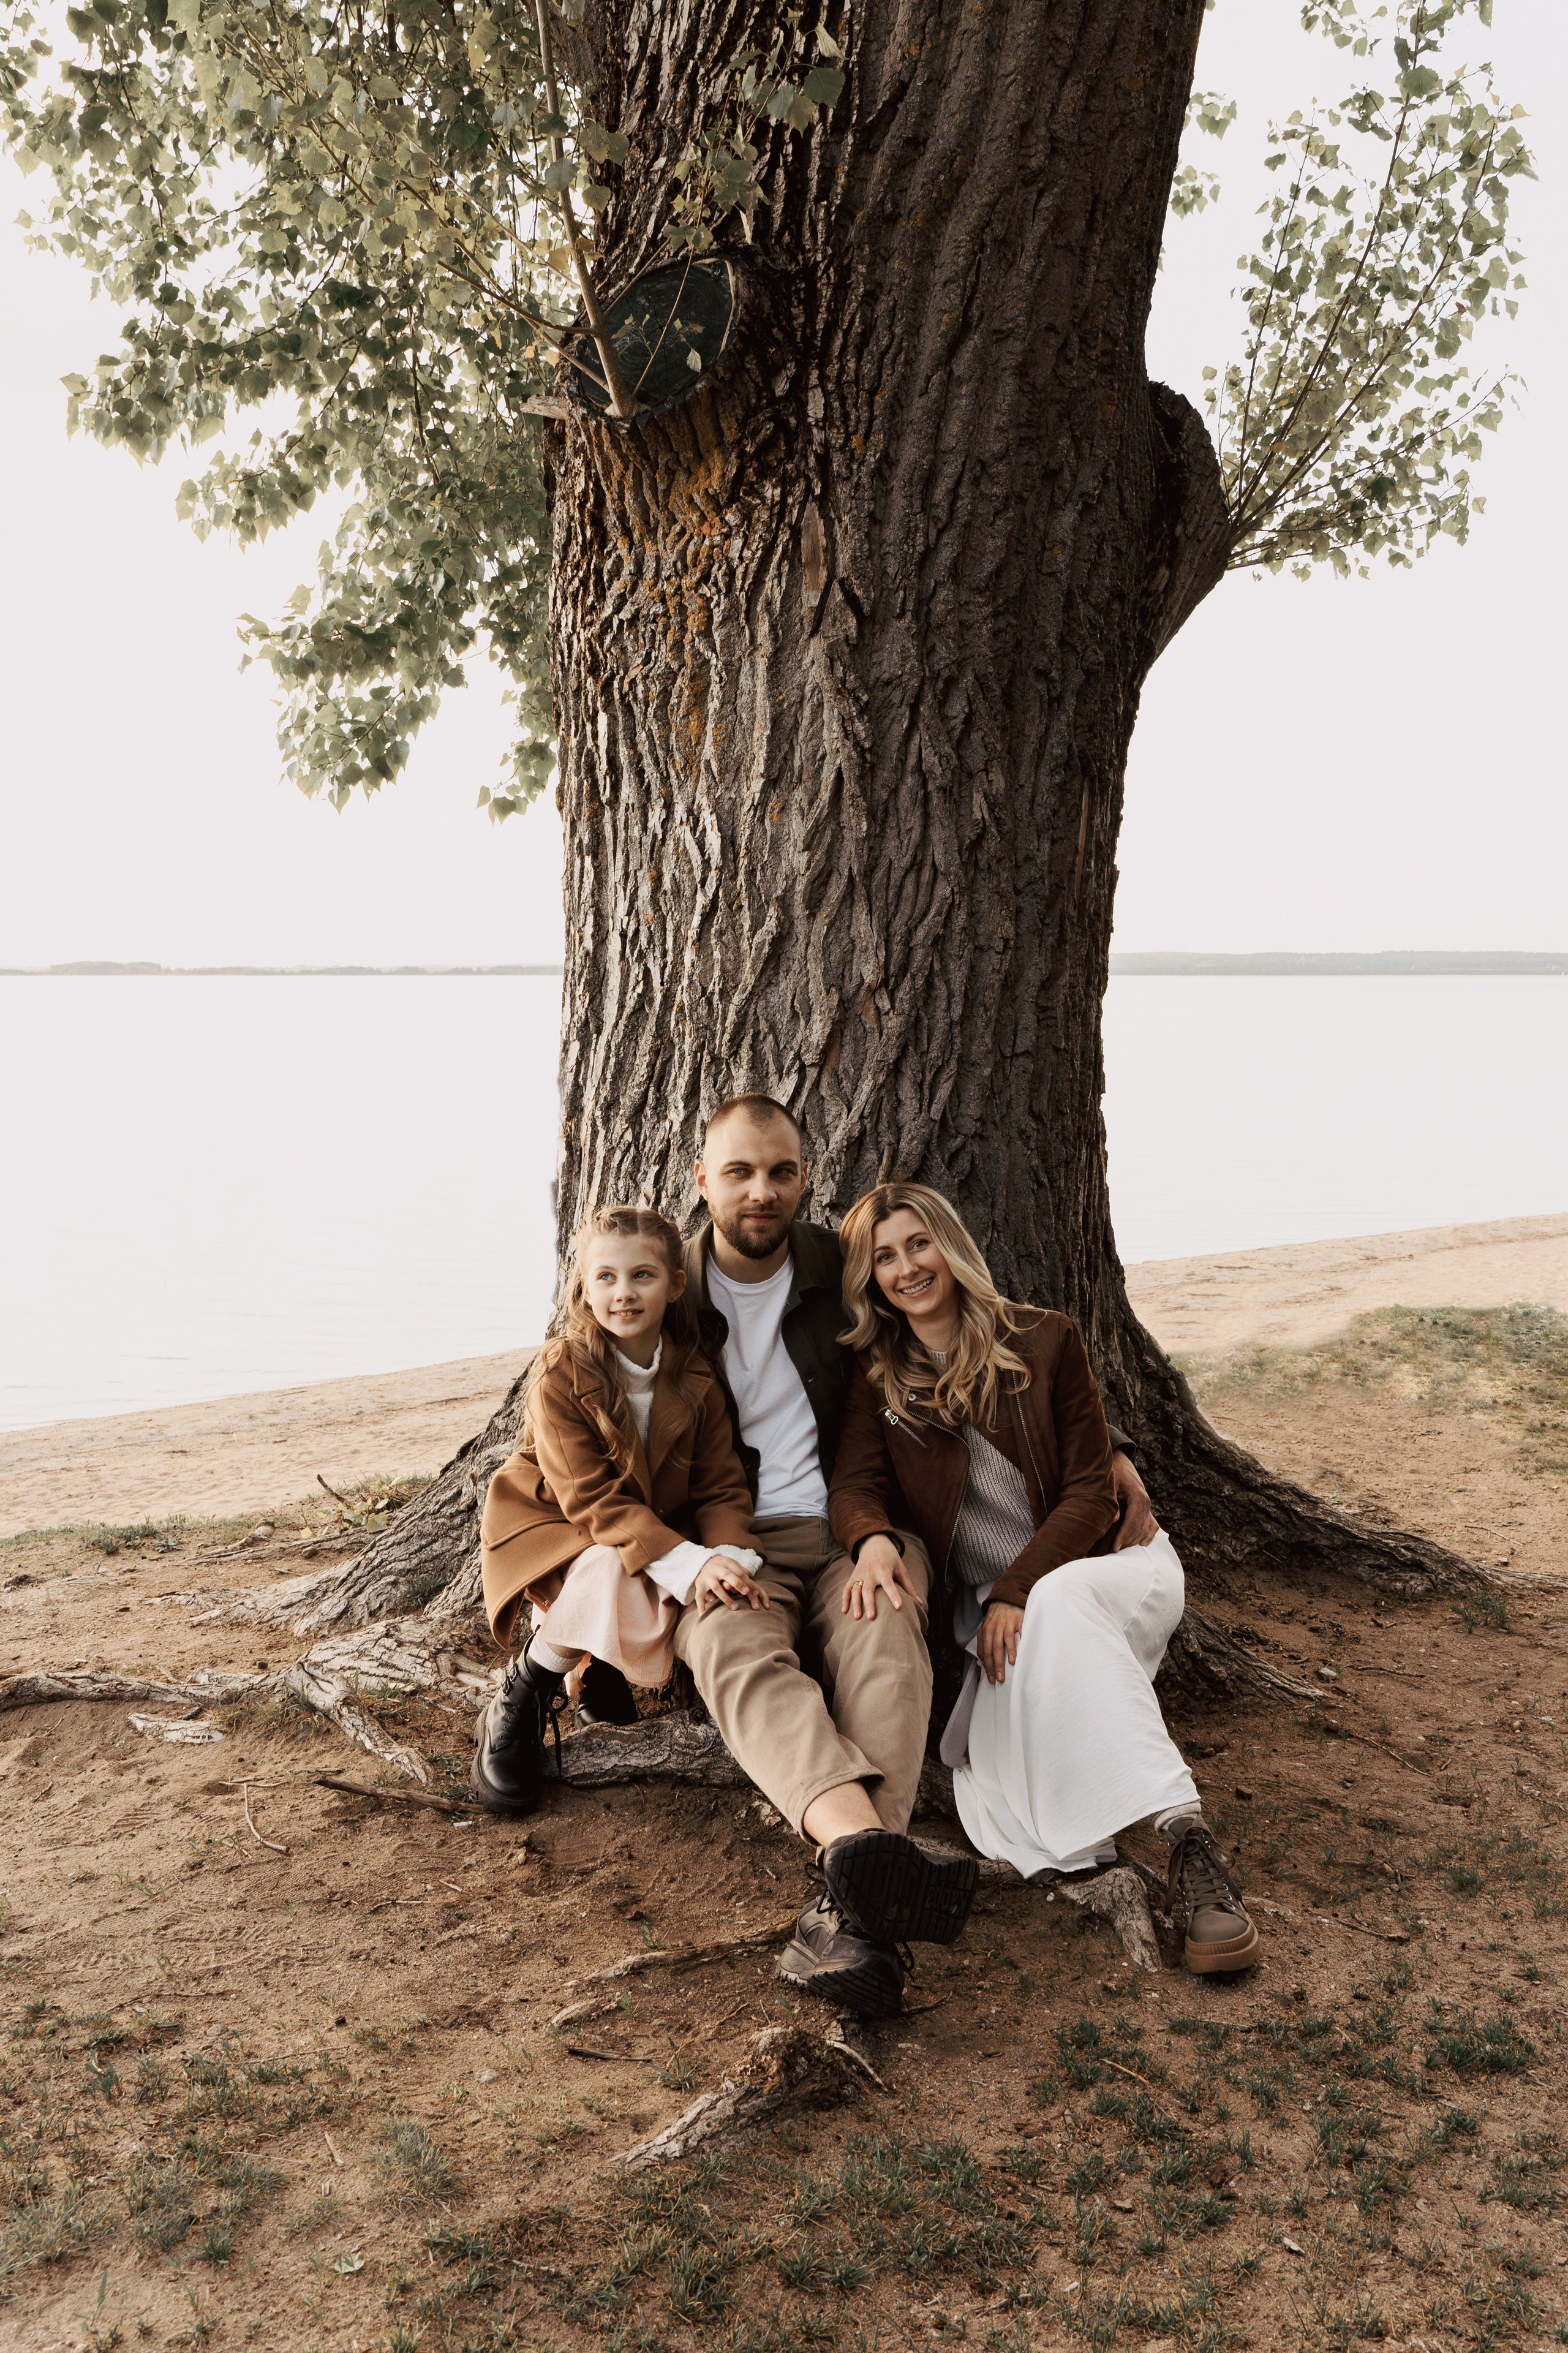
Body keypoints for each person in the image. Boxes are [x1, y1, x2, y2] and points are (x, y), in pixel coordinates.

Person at [673, 1095, 1165, 2018]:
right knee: (731, 1646)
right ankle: (861, 1874)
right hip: (728, 1538)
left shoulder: (840, 1262)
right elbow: (583, 1393)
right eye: (738, 1171)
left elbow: (984, 1345)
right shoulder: (662, 1286)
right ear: (702, 1178)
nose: (760, 1191)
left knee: (889, 1627)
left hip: (857, 1527)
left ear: (806, 1176)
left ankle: (849, 1890)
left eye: (780, 1171)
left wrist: (1116, 1450)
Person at [827, 1180, 1260, 1977]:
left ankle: (1187, 1838)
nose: (907, 1267)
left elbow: (1093, 1492)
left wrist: (1014, 1589)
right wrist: (872, 1538)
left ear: (951, 1246)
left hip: (1107, 1570)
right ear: (870, 1278)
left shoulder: (1045, 1339)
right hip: (1004, 1617)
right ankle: (1109, 1843)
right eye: (884, 1257)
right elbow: (854, 1484)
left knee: (1062, 1599)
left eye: (919, 1243)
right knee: (996, 1805)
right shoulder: (877, 1380)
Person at [470, 1206, 765, 1816]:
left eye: (641, 1276)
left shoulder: (695, 1374)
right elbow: (590, 1499)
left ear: (675, 1285)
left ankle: (601, 1669)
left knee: (666, 1573)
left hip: (640, 1520)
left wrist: (727, 1557)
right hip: (556, 1519)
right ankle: (524, 1690)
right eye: (605, 1277)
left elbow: (720, 1486)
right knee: (617, 1565)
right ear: (583, 1287)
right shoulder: (561, 1370)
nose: (623, 1293)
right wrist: (687, 1562)